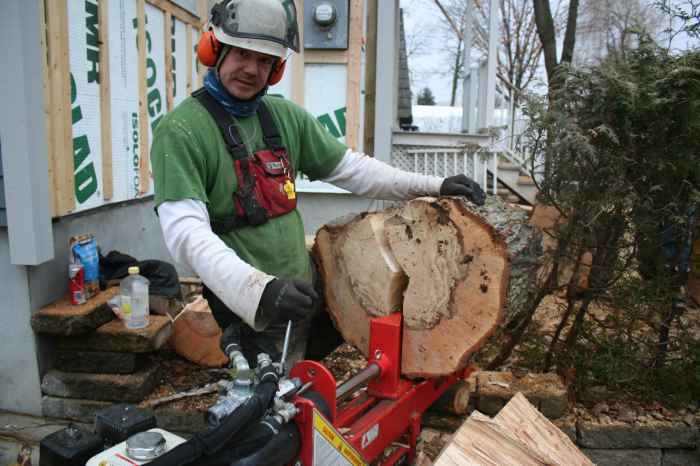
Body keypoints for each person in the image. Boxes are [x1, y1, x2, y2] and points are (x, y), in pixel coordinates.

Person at [151, 0, 485, 366]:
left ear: (277, 69)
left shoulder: (282, 117)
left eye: (265, 61)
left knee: (306, 388)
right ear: (214, 49)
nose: (252, 69)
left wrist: (434, 185)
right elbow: (186, 235)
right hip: (254, 306)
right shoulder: (182, 131)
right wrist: (258, 291)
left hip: (303, 289)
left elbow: (354, 170)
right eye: (243, 54)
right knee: (267, 403)